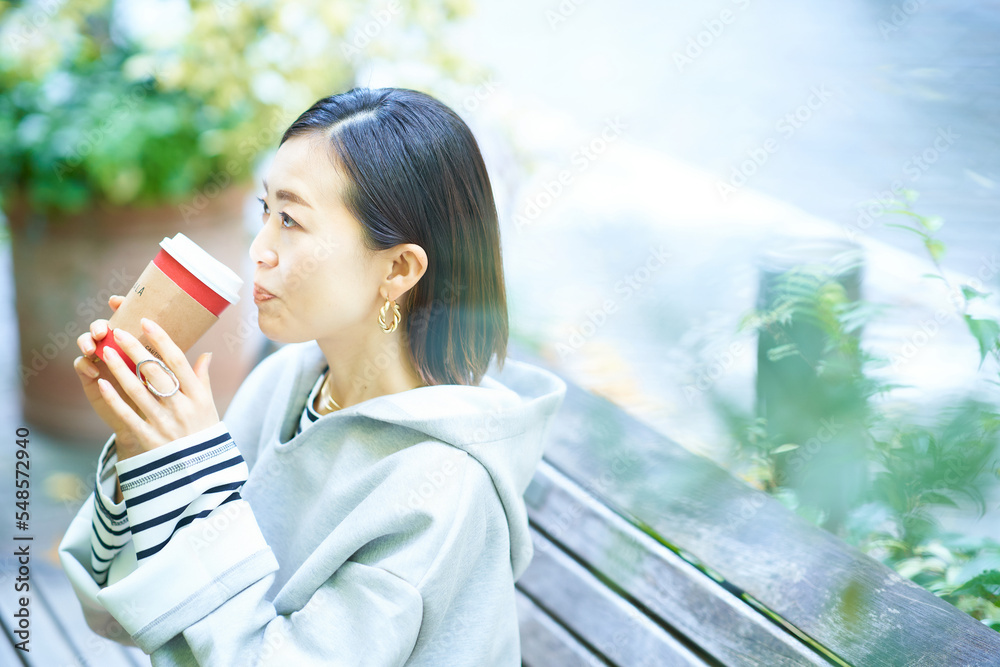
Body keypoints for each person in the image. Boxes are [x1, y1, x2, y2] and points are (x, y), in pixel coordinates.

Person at [59, 87, 567, 665]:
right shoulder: (288, 381)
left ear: (398, 267)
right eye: (266, 212)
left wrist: (184, 469)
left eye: (292, 221)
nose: (260, 249)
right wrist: (140, 445)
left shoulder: (443, 488)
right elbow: (115, 614)